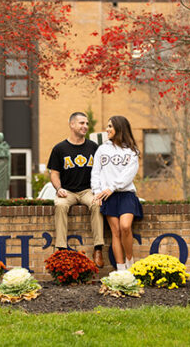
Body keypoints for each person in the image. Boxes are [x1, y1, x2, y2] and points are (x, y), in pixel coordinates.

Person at [47, 112, 105, 267]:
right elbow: (54, 173)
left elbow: (102, 171)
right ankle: (61, 249)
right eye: (81, 123)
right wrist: (59, 188)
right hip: (68, 191)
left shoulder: (93, 147)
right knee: (60, 205)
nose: (85, 126)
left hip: (87, 190)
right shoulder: (59, 148)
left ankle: (98, 248)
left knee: (96, 205)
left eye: (86, 123)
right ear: (71, 124)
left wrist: (98, 192)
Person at [91, 115, 143, 271]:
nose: (107, 129)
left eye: (110, 127)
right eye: (107, 126)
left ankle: (129, 262)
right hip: (107, 197)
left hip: (125, 194)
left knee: (126, 227)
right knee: (116, 232)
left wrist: (112, 187)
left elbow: (128, 175)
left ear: (119, 128)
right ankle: (121, 271)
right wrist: (97, 192)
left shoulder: (132, 151)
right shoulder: (102, 149)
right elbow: (96, 172)